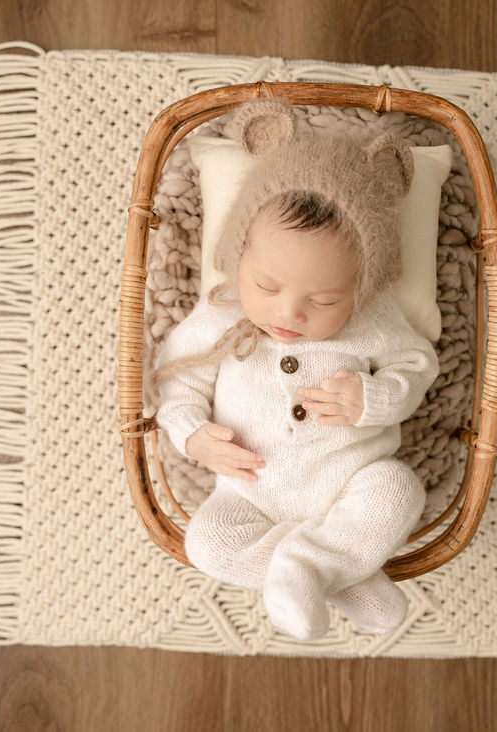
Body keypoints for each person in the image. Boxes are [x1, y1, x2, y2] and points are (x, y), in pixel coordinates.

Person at [153, 100, 439, 641]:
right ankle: (334, 573)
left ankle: (310, 567)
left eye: (324, 298)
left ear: (360, 288)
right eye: (267, 286)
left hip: (349, 479)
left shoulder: (373, 318)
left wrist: (373, 398)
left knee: (399, 490)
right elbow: (176, 378)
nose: (289, 313)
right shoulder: (221, 312)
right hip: (248, 491)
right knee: (206, 544)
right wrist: (193, 436)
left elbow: (417, 365)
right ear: (239, 257)